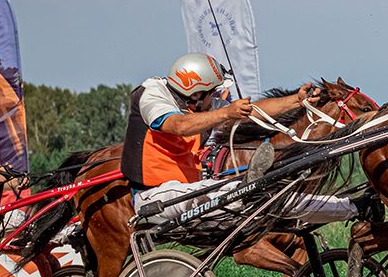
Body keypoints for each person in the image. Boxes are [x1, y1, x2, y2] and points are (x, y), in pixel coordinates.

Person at [121, 52, 364, 226]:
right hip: (155, 198)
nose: (218, 98)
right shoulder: (152, 94)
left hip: (188, 192)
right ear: (196, 91)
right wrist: (226, 112)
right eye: (213, 92)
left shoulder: (199, 104)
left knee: (273, 198)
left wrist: (296, 101)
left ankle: (352, 207)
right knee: (246, 191)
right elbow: (178, 125)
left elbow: (253, 110)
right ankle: (251, 182)